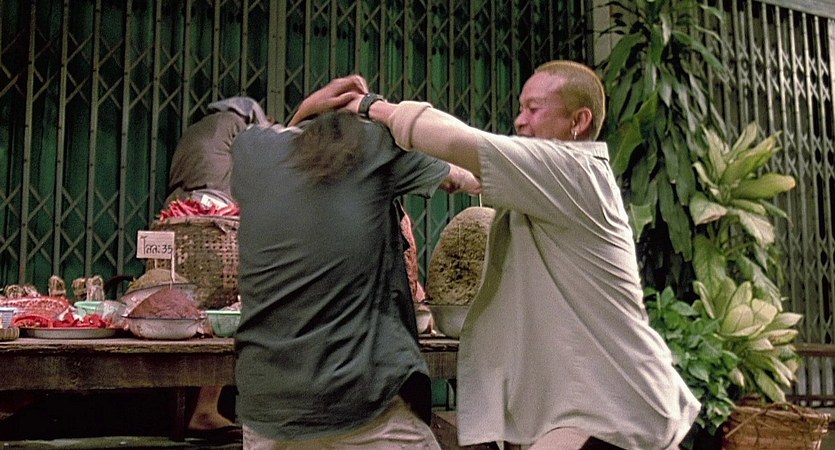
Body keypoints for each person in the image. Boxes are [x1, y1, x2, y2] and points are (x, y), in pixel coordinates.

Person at [324, 61, 700, 449]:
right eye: (520, 108)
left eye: (534, 109)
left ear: (579, 121)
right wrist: (459, 176)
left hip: (618, 407)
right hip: (600, 406)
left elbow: (457, 141)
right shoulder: (557, 181)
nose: (520, 120)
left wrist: (372, 107)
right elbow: (475, 172)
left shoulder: (574, 170)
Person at [231, 76, 481, 449]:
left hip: (267, 405)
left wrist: (309, 107)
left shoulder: (254, 150)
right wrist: (379, 110)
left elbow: (290, 141)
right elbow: (467, 174)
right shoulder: (375, 146)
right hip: (359, 401)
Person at [163, 96, 273, 441]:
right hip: (216, 222)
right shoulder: (239, 127)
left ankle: (183, 409)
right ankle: (205, 409)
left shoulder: (201, 127)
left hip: (178, 218)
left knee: (184, 309)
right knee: (227, 309)